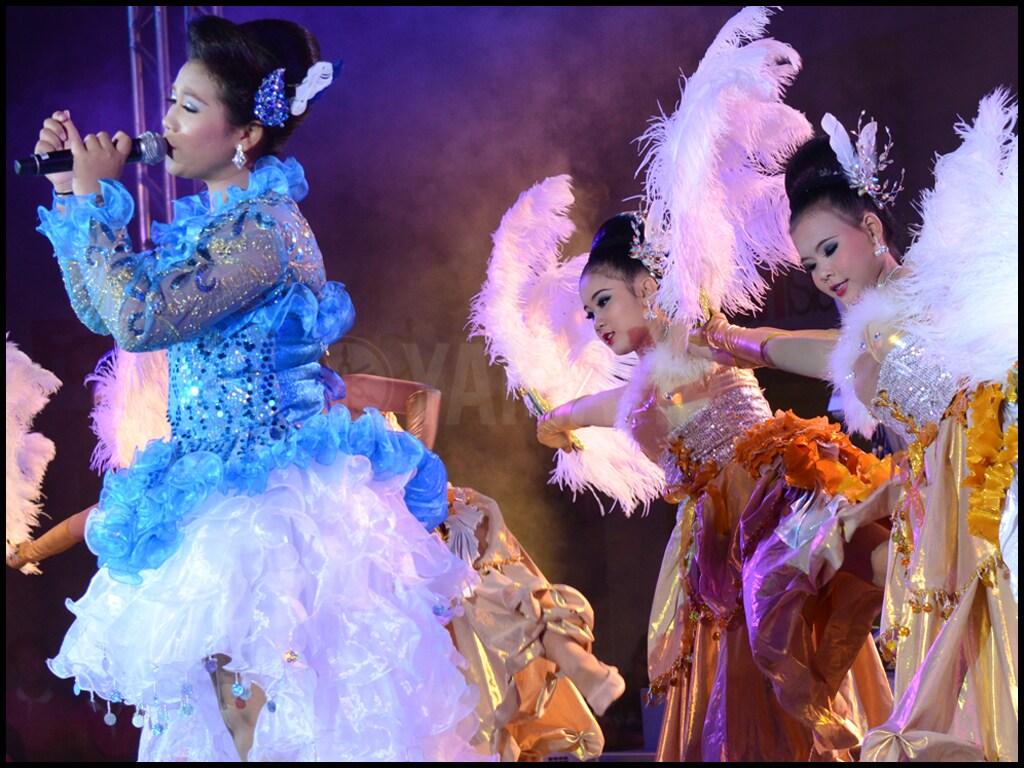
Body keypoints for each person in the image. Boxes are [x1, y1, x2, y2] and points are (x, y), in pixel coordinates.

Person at [28, 15, 482, 761]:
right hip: (209, 488)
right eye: (171, 102)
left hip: (269, 500)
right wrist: (72, 199)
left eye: (189, 106)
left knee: (258, 725)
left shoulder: (263, 232)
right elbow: (104, 310)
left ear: (244, 134)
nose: (167, 123)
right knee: (224, 725)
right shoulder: (218, 227)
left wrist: (94, 196)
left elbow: (140, 320)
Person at [694, 96, 1018, 761]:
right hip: (942, 508)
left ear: (871, 226)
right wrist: (739, 341)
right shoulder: (869, 329)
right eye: (811, 264)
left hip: (988, 494)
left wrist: (745, 342)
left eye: (829, 249)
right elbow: (828, 355)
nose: (823, 274)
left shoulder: (929, 288)